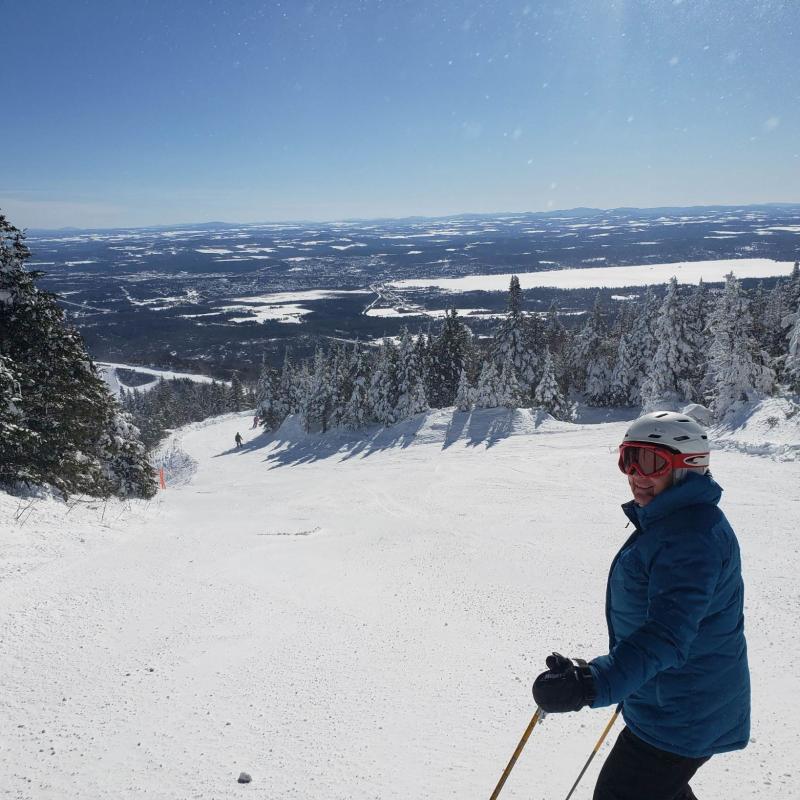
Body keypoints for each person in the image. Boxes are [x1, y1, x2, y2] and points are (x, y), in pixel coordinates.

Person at [532, 411, 750, 800]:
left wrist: (593, 682)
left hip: (681, 716)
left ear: (688, 466)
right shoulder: (674, 521)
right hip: (672, 701)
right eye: (627, 459)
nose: (635, 473)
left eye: (650, 461)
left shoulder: (689, 537)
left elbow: (666, 634)